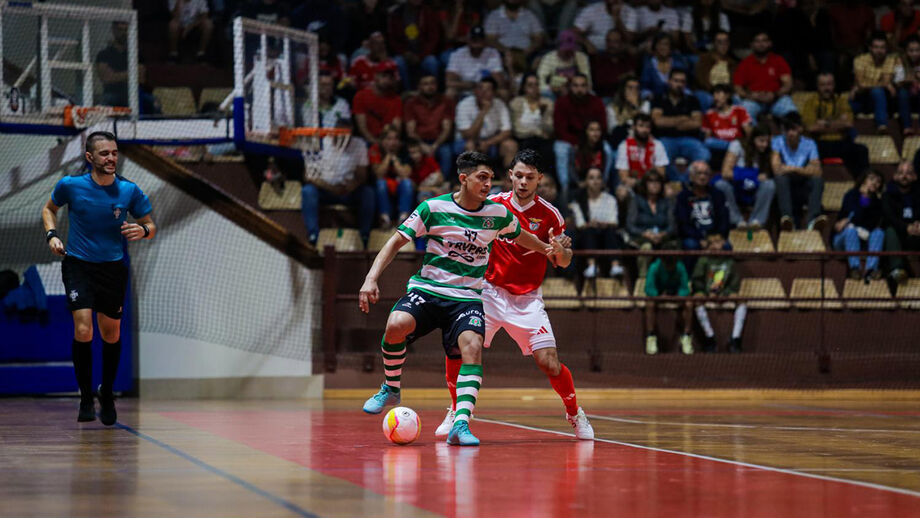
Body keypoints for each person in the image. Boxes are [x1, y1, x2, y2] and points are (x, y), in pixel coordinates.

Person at [358, 151, 562, 447]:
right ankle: (390, 387)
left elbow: (520, 236)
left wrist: (546, 248)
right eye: (482, 178)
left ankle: (461, 424)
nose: (488, 184)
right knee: (395, 324)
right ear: (464, 179)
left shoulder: (497, 214)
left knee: (473, 346)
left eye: (491, 179)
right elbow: (395, 242)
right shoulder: (432, 207)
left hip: (467, 298)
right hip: (428, 290)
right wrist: (370, 278)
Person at [434, 149, 594, 440]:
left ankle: (574, 413)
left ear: (539, 179)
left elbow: (563, 260)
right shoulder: (492, 204)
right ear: (510, 176)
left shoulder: (551, 215)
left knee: (549, 362)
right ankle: (457, 410)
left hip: (528, 299)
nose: (523, 182)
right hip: (490, 293)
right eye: (518, 175)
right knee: (460, 346)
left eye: (529, 177)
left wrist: (562, 251)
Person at [41, 131, 156, 425]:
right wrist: (52, 235)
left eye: (115, 153)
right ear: (90, 158)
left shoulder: (128, 190)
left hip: (112, 269)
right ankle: (85, 396)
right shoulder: (71, 185)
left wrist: (142, 231)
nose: (111, 158)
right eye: (104, 153)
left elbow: (150, 224)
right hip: (78, 265)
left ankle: (106, 393)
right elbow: (49, 209)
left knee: (111, 334)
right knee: (83, 330)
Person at [301, 118, 374, 245]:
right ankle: (313, 235)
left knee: (368, 193)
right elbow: (307, 176)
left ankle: (364, 236)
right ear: (334, 131)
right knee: (307, 191)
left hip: (347, 191)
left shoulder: (359, 145)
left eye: (347, 134)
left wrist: (353, 185)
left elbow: (362, 175)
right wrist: (330, 187)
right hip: (324, 190)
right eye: (340, 133)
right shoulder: (321, 142)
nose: (343, 137)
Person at [800, 72, 870, 177]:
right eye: (823, 85)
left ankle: (863, 184)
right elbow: (811, 128)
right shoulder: (810, 103)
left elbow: (849, 124)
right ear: (817, 86)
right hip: (819, 144)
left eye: (829, 84)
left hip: (840, 143)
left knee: (861, 150)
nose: (826, 88)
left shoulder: (841, 102)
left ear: (834, 85)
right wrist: (838, 123)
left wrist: (824, 123)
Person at [553, 73, 607, 204]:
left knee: (609, 150)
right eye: (576, 85)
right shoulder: (562, 102)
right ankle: (565, 187)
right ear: (570, 87)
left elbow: (603, 126)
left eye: (583, 85)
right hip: (569, 140)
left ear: (588, 87)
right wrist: (577, 143)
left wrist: (588, 141)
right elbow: (560, 129)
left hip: (591, 138)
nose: (579, 89)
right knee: (560, 149)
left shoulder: (596, 102)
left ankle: (601, 183)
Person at [651, 69, 710, 182]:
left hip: (689, 139)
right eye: (676, 81)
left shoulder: (692, 100)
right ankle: (678, 182)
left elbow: (697, 123)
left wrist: (669, 122)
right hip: (666, 139)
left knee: (704, 154)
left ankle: (684, 181)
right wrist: (683, 118)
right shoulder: (659, 99)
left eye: (682, 82)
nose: (679, 84)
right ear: (669, 81)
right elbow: (657, 122)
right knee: (661, 157)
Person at [691, 233, 746, 353]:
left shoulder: (729, 261)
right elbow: (697, 280)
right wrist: (707, 292)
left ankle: (735, 338)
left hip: (725, 292)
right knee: (696, 299)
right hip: (706, 292)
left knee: (741, 299)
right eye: (712, 243)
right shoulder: (703, 260)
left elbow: (735, 282)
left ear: (723, 244)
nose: (715, 246)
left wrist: (725, 293)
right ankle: (709, 337)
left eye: (718, 242)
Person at [772, 112, 826, 231]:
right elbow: (776, 169)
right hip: (785, 187)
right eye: (787, 130)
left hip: (802, 185)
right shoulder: (777, 142)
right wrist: (805, 170)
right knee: (781, 179)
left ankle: (812, 221)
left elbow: (817, 171)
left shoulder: (809, 144)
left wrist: (793, 169)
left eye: (793, 129)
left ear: (800, 129)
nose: (790, 133)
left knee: (817, 181)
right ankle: (787, 219)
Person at [569, 166, 624, 278]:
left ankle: (615, 266)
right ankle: (592, 266)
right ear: (586, 182)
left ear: (602, 182)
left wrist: (603, 224)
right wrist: (590, 224)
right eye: (591, 178)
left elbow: (614, 221)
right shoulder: (579, 200)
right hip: (587, 234)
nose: (595, 181)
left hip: (606, 232)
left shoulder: (610, 199)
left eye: (598, 178)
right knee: (589, 231)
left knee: (611, 232)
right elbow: (580, 224)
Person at [719, 125, 776, 229]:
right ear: (753, 139)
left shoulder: (767, 152)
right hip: (737, 187)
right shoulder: (737, 145)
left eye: (767, 142)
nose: (764, 145)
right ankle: (737, 221)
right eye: (761, 141)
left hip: (753, 190)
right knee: (721, 184)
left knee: (769, 184)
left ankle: (756, 221)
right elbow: (725, 172)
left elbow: (771, 173)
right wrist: (751, 176)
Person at [96, 22, 159, 114]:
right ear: (114, 30)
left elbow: (141, 78)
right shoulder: (104, 54)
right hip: (113, 93)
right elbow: (106, 78)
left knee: (154, 103)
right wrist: (131, 74)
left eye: (126, 30)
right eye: (120, 30)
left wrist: (117, 75)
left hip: (133, 92)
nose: (123, 33)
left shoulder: (135, 53)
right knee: (105, 103)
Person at [833, 170, 885, 281]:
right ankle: (855, 269)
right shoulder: (851, 195)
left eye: (878, 182)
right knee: (851, 231)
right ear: (864, 180)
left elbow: (868, 223)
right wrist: (863, 197)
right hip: (843, 238)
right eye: (872, 179)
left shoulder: (877, 203)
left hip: (864, 237)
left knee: (879, 233)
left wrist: (866, 198)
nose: (874, 183)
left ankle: (871, 270)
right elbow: (851, 217)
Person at [732, 31, 796, 120]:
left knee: (789, 109)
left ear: (769, 43)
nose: (761, 44)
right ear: (752, 44)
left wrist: (775, 94)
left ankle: (790, 133)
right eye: (757, 41)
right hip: (754, 100)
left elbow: (788, 84)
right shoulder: (745, 63)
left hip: (775, 99)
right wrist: (750, 96)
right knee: (745, 111)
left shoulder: (778, 60)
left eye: (764, 41)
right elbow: (737, 87)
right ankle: (756, 133)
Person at [404, 74, 455, 181]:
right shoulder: (411, 103)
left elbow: (446, 129)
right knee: (413, 152)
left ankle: (442, 183)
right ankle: (419, 184)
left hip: (439, 141)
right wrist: (422, 145)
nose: (430, 87)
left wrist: (435, 145)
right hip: (419, 141)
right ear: (419, 87)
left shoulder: (445, 101)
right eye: (425, 84)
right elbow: (410, 131)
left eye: (432, 83)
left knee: (446, 152)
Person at [626, 170, 677, 276]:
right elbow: (630, 226)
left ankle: (668, 283)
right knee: (646, 248)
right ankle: (643, 280)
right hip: (641, 238)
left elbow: (672, 225)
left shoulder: (666, 202)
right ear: (645, 184)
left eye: (657, 182)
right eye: (651, 181)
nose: (654, 184)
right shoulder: (637, 200)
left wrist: (662, 234)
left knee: (671, 248)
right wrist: (645, 234)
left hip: (663, 238)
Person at [676, 160, 731, 254]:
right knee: (691, 245)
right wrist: (701, 239)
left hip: (715, 236)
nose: (702, 177)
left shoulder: (717, 195)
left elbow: (724, 220)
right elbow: (683, 224)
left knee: (726, 246)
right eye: (699, 173)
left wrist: (716, 239)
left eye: (706, 174)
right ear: (691, 176)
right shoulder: (683, 196)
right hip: (693, 237)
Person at [387, 0, 443, 91]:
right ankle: (408, 93)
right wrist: (404, 53)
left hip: (423, 54)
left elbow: (433, 39)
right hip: (405, 53)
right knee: (398, 62)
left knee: (432, 62)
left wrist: (421, 56)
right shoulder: (396, 13)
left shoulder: (428, 12)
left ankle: (433, 91)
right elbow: (393, 39)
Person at [644, 255, 692, 355]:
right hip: (658, 294)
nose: (670, 267)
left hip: (675, 294)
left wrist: (680, 295)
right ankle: (651, 336)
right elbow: (648, 288)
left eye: (672, 264)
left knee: (689, 303)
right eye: (668, 264)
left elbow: (685, 288)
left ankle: (686, 336)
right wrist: (657, 295)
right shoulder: (654, 267)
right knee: (649, 303)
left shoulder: (680, 267)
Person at [851, 32, 899, 133]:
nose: (879, 51)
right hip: (863, 98)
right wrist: (883, 85)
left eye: (882, 47)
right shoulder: (860, 60)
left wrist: (863, 86)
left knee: (877, 92)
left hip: (882, 99)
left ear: (886, 49)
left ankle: (882, 125)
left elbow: (886, 81)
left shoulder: (890, 60)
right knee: (848, 105)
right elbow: (861, 84)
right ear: (870, 48)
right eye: (876, 47)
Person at [454, 77, 513, 158]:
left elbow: (507, 131)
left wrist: (488, 143)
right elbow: (468, 135)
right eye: (480, 88)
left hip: (490, 140)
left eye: (488, 89)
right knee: (470, 145)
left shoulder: (500, 105)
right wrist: (483, 112)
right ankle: (473, 170)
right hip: (465, 141)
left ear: (494, 93)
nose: (483, 92)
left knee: (510, 145)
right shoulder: (464, 105)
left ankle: (508, 171)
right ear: (475, 91)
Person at [484, 0, 545, 78]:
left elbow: (538, 38)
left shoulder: (529, 15)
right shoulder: (494, 16)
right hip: (502, 55)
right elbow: (490, 39)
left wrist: (529, 49)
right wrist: (507, 51)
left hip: (527, 54)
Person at [445, 25, 507, 99]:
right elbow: (449, 82)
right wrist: (469, 85)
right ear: (468, 40)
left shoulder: (493, 53)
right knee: (450, 92)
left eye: (479, 39)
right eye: (474, 38)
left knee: (503, 93)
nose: (477, 41)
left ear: (484, 41)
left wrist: (483, 87)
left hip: (487, 91)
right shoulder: (458, 54)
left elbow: (499, 83)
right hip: (465, 90)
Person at [882, 161, 920, 283]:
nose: (904, 176)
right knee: (889, 230)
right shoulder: (887, 195)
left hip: (916, 235)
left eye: (908, 173)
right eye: (900, 173)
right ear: (895, 176)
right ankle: (897, 270)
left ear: (915, 177)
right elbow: (889, 218)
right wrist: (906, 228)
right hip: (897, 236)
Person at [370, 125, 413, 228]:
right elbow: (379, 174)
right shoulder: (375, 149)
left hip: (399, 186)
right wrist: (388, 157)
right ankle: (384, 218)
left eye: (395, 139)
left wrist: (394, 159)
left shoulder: (404, 151)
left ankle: (403, 219)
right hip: (383, 186)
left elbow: (405, 174)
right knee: (380, 183)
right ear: (382, 140)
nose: (393, 142)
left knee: (407, 183)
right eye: (389, 139)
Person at [614, 113, 669, 193]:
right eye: (641, 126)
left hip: (653, 185)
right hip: (632, 186)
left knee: (669, 191)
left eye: (647, 127)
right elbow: (624, 177)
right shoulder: (624, 146)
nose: (644, 130)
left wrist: (648, 184)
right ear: (634, 127)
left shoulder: (657, 145)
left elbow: (661, 174)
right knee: (622, 192)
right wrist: (640, 183)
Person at [352, 64, 402, 148]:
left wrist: (388, 142)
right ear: (375, 77)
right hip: (367, 141)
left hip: (388, 142)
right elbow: (362, 128)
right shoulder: (361, 96)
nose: (386, 80)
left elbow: (396, 127)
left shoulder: (396, 99)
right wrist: (376, 143)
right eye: (383, 76)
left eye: (390, 77)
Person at [509, 73, 555, 163]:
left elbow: (549, 130)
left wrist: (543, 114)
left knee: (547, 148)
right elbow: (517, 130)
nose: (534, 88)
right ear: (523, 87)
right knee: (529, 145)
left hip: (542, 141)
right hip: (522, 140)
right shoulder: (516, 103)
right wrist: (537, 132)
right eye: (530, 85)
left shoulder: (547, 103)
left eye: (536, 84)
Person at [536, 30, 592, 98]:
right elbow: (540, 80)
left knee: (592, 94)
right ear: (559, 47)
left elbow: (588, 81)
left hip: (577, 91)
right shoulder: (548, 58)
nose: (569, 53)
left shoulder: (581, 57)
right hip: (554, 91)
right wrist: (550, 88)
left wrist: (575, 89)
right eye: (566, 50)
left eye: (571, 50)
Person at [701, 83, 752, 154]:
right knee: (708, 142)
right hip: (719, 146)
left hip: (737, 144)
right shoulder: (709, 114)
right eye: (713, 94)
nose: (715, 97)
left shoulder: (739, 111)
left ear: (727, 95)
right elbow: (708, 138)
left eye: (718, 93)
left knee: (737, 144)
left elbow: (748, 132)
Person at [694, 30, 737, 112]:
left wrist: (725, 95)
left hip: (726, 94)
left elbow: (734, 83)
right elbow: (701, 80)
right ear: (714, 44)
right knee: (706, 98)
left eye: (726, 42)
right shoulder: (704, 59)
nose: (723, 45)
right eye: (720, 42)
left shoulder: (733, 63)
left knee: (737, 100)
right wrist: (716, 93)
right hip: (708, 92)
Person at [640, 33, 690, 100]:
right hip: (654, 100)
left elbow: (685, 86)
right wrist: (649, 96)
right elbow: (644, 87)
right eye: (660, 44)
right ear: (655, 46)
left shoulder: (679, 64)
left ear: (670, 47)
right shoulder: (648, 64)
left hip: (677, 99)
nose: (663, 47)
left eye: (666, 44)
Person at [590, 30, 638, 99]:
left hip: (627, 97)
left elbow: (634, 78)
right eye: (609, 41)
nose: (611, 45)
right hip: (607, 97)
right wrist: (621, 78)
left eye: (615, 42)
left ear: (622, 43)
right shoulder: (599, 59)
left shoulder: (627, 59)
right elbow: (600, 83)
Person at [606, 76, 651, 147]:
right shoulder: (611, 108)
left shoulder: (645, 104)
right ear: (623, 90)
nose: (634, 91)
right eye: (630, 88)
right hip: (620, 142)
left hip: (641, 141)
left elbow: (645, 124)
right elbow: (612, 131)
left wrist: (635, 106)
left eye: (637, 88)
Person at [574, 120, 614, 186]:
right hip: (582, 185)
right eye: (592, 130)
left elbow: (605, 173)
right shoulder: (578, 149)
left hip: (599, 184)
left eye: (598, 130)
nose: (595, 133)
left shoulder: (605, 150)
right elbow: (576, 171)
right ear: (586, 132)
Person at [896, 36, 920, 136]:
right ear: (906, 51)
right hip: (905, 93)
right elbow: (898, 81)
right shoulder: (900, 60)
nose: (914, 53)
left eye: (917, 50)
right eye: (911, 50)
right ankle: (907, 127)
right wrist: (914, 78)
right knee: (902, 93)